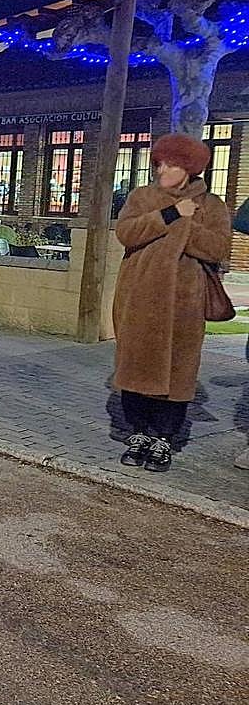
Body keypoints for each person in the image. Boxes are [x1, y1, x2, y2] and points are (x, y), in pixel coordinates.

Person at [113, 132, 231, 472]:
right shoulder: (141, 197)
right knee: (134, 368)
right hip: (139, 299)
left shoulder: (212, 205)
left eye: (172, 164)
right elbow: (127, 234)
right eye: (159, 163)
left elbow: (217, 248)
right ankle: (138, 433)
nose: (162, 170)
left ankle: (164, 438)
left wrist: (185, 225)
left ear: (190, 170)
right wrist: (170, 215)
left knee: (177, 374)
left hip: (184, 305)